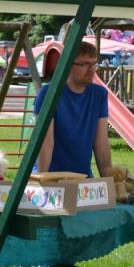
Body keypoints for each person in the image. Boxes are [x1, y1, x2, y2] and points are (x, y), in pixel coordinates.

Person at [33, 41, 113, 178]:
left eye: (94, 64)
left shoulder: (99, 94)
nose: (91, 70)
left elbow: (101, 143)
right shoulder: (49, 93)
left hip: (82, 178)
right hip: (52, 176)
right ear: (69, 65)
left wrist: (109, 182)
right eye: (84, 64)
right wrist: (43, 181)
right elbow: (45, 144)